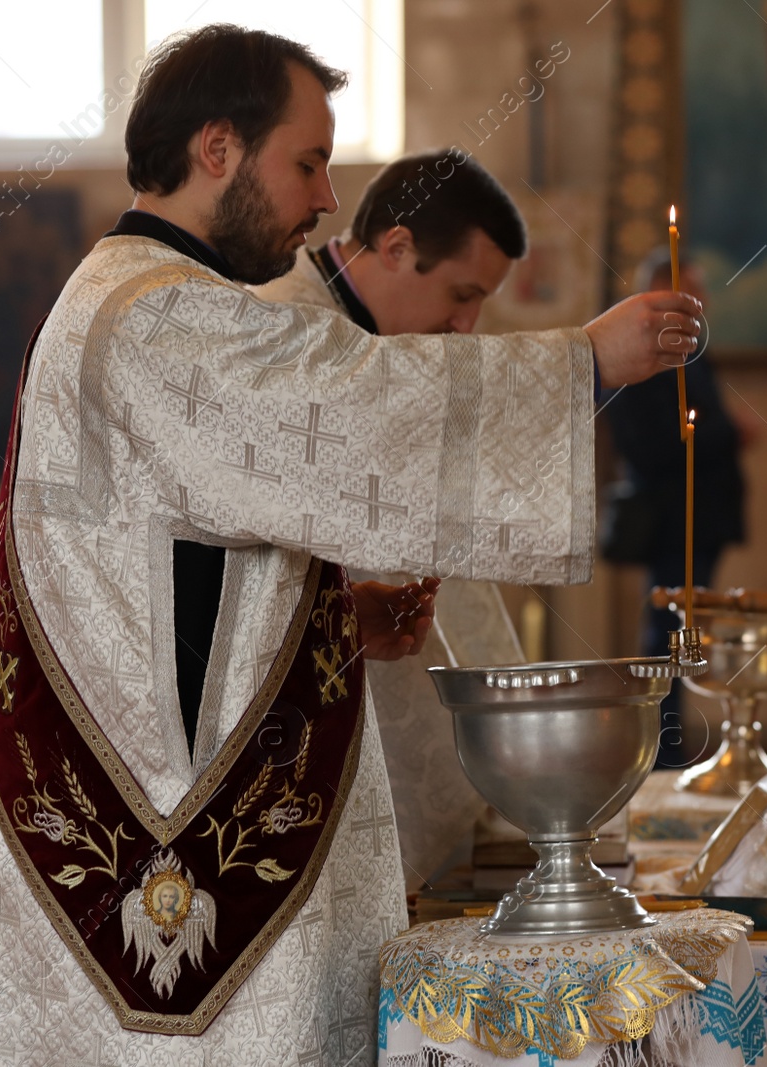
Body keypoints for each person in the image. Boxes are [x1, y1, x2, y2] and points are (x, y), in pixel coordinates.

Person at [0, 24, 701, 1067]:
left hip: (159, 787)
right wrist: (584, 361)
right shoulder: (159, 315)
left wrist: (337, 616)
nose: (328, 197)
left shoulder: (136, 295)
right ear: (216, 150)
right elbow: (350, 399)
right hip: (169, 827)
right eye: (306, 161)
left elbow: (187, 558)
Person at [251, 148, 529, 887]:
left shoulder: (407, 345)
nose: (467, 324)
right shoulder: (280, 329)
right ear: (398, 246)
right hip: (318, 720)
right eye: (462, 294)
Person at [601, 251, 746, 768]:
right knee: (667, 636)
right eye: (692, 292)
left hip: (703, 515)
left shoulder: (692, 354)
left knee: (687, 633)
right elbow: (651, 446)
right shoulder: (638, 360)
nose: (702, 303)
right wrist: (724, 434)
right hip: (671, 520)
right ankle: (662, 751)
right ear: (661, 294)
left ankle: (672, 745)